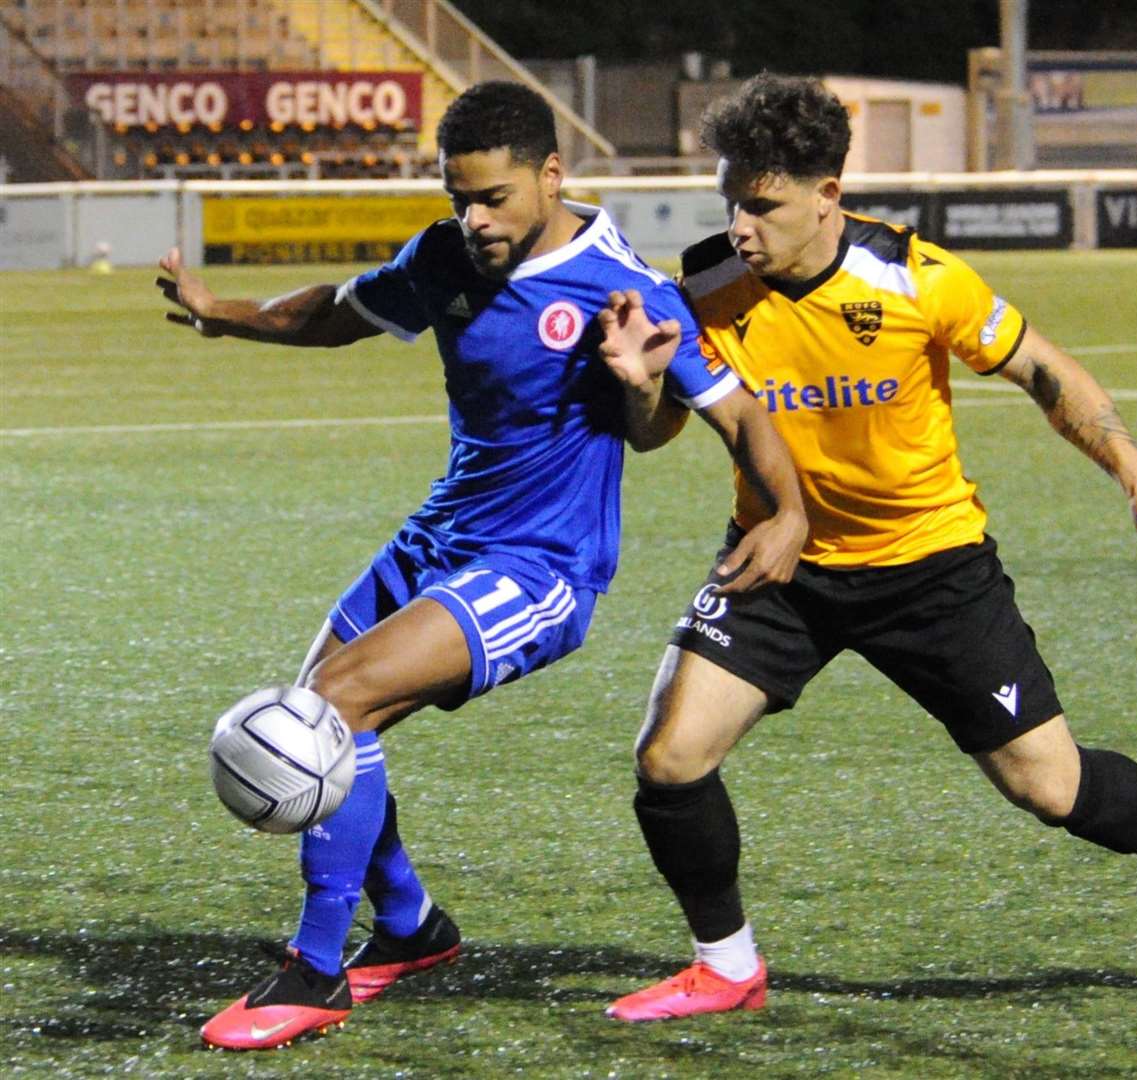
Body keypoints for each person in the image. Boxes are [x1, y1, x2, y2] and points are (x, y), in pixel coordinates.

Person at [604, 74, 1137, 1023]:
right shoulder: (708, 281)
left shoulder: (917, 278)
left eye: (763, 205)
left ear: (827, 194)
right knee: (670, 757)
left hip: (931, 570)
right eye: (732, 202)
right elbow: (659, 429)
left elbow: (1045, 370)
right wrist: (640, 384)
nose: (741, 225)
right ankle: (727, 965)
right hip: (780, 561)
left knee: (1050, 788)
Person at [157, 80, 806, 1051]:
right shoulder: (447, 254)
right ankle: (413, 928)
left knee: (328, 711)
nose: (474, 217)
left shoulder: (623, 286)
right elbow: (337, 311)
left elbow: (719, 416)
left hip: (542, 567)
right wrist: (225, 316)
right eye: (458, 195)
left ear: (551, 177)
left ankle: (318, 968)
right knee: (320, 706)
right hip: (439, 538)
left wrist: (787, 511)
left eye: (494, 197)